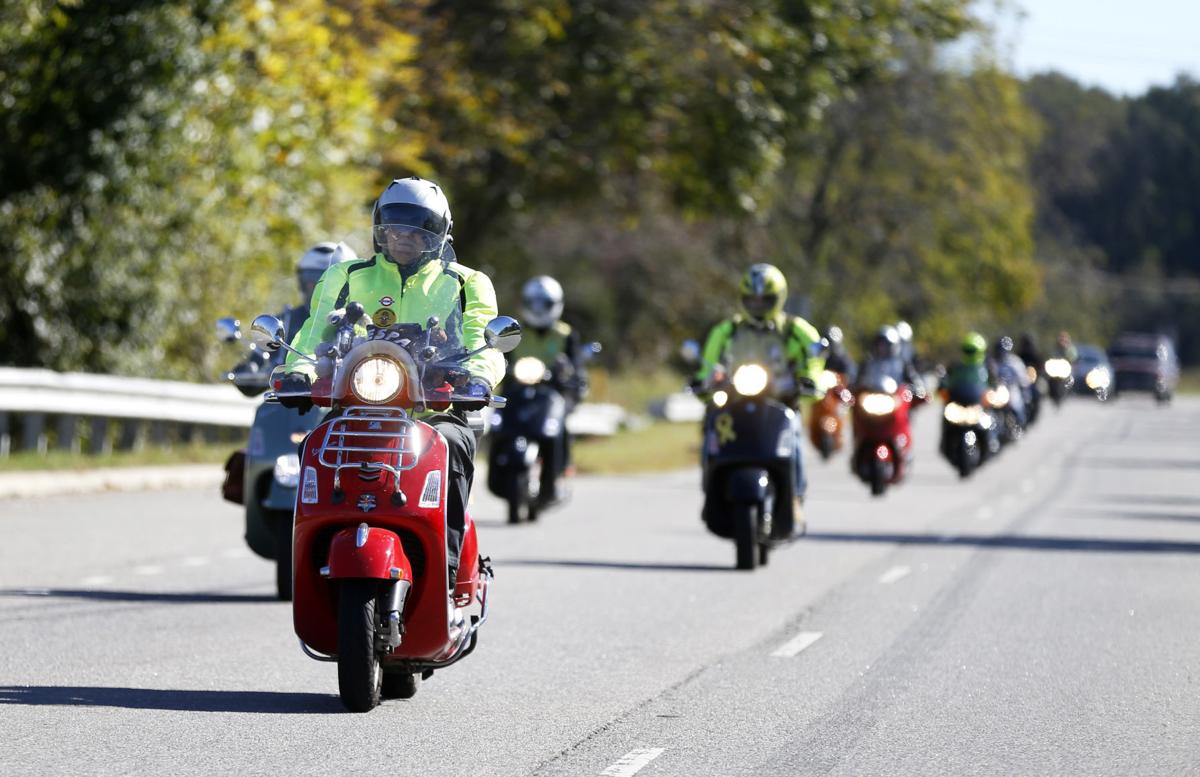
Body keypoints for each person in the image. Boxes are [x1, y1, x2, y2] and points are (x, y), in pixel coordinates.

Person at [280, 176, 505, 588]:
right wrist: (298, 370)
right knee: (317, 444)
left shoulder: (466, 283)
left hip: (433, 410)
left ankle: (447, 571)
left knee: (452, 445)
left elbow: (483, 338)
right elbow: (315, 333)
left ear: (439, 234)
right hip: (354, 404)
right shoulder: (346, 275)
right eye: (394, 228)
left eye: (417, 230)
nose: (403, 238)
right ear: (379, 229)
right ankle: (309, 562)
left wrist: (478, 376)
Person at [694, 263, 824, 506]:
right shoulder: (727, 330)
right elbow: (708, 365)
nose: (757, 305)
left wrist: (810, 381)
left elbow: (815, 360)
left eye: (764, 300)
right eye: (751, 300)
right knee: (711, 425)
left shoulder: (795, 329)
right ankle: (711, 488)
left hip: (780, 399)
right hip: (735, 399)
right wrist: (704, 382)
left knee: (793, 436)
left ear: (778, 298)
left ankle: (795, 496)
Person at [231, 242, 357, 387]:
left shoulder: (360, 321)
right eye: (312, 280)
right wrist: (251, 367)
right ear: (302, 282)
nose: (319, 288)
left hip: (351, 398)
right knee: (267, 410)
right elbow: (260, 361)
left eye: (331, 282)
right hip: (290, 399)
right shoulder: (286, 321)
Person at [507, 274, 586, 499]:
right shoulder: (514, 331)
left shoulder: (566, 334)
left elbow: (576, 367)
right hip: (519, 391)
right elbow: (501, 360)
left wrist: (570, 375)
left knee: (559, 427)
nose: (539, 309)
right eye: (534, 304)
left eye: (545, 304)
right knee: (499, 423)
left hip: (553, 393)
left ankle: (561, 470)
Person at [855, 325, 926, 398]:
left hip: (895, 400)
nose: (881, 347)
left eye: (885, 344)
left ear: (892, 346)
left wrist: (914, 389)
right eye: (880, 343)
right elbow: (857, 382)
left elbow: (914, 382)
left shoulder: (902, 364)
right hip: (871, 398)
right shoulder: (868, 362)